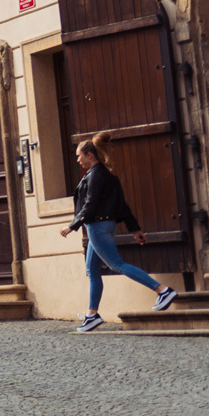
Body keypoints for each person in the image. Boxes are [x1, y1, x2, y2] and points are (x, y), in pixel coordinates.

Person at [64, 137, 177, 332]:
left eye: (78, 156)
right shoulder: (107, 175)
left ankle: (163, 291)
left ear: (89, 155)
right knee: (92, 270)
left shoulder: (94, 176)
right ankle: (92, 315)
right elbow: (122, 207)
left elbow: (89, 205)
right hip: (104, 226)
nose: (77, 160)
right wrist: (135, 229)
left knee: (117, 265)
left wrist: (72, 226)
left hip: (97, 227)